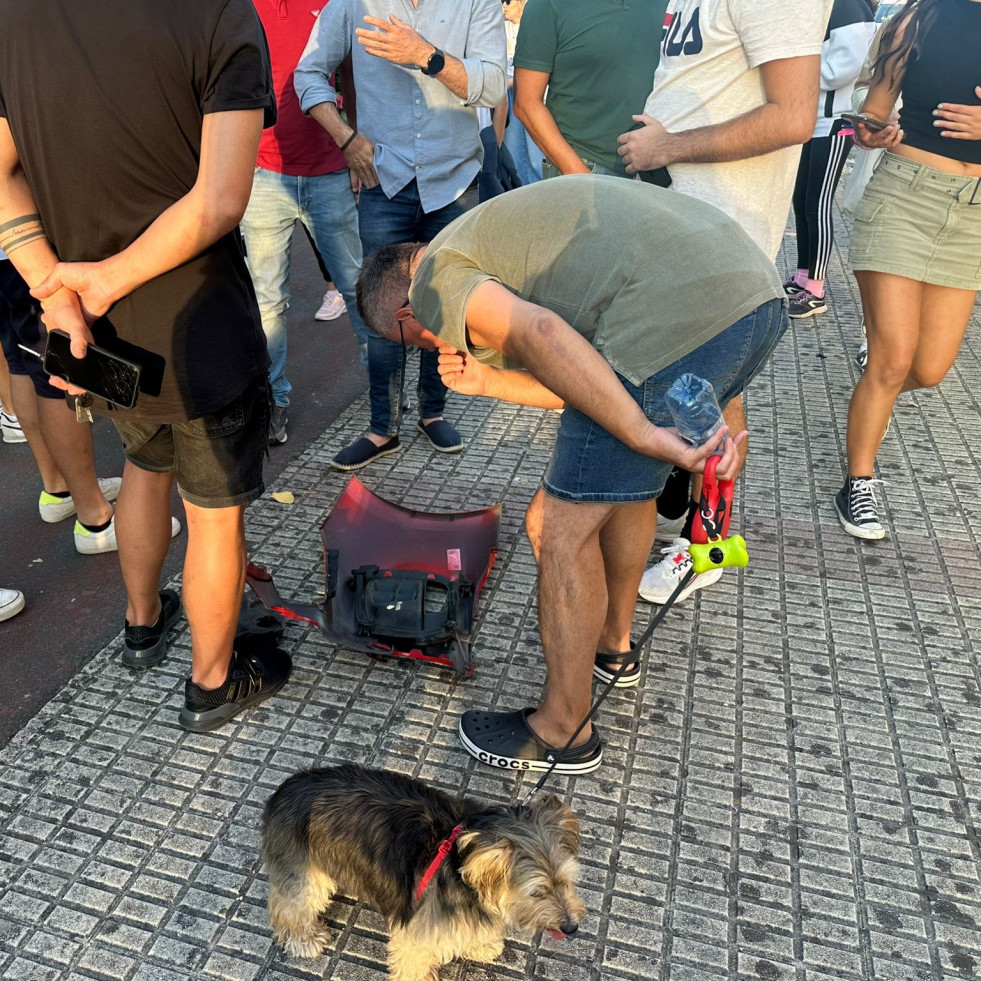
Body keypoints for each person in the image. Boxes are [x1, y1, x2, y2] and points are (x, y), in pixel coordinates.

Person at [354, 175, 788, 772]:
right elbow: (583, 384)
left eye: (412, 340)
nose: (429, 347)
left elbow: (543, 334)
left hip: (675, 321)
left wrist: (640, 429)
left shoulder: (434, 276)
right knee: (622, 491)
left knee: (555, 527)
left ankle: (562, 730)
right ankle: (614, 646)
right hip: (755, 297)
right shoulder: (493, 240)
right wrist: (487, 380)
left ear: (406, 309)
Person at [0, 0, 293, 732]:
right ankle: (211, 682)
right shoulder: (220, 14)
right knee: (214, 517)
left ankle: (140, 625)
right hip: (201, 327)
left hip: (99, 335)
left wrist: (56, 287)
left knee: (142, 466)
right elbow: (222, 198)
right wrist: (100, 280)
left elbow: (1, 174)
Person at [616, 0, 833, 606]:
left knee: (716, 389)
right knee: (697, 387)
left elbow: (793, 116)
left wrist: (668, 148)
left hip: (718, 240)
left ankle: (706, 549)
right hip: (682, 226)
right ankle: (692, 520)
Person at [295, 0, 507, 471]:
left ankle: (433, 412)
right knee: (381, 305)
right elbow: (307, 75)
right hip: (382, 180)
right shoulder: (354, 4)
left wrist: (426, 55)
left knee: (447, 303)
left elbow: (493, 85)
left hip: (455, 180)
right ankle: (381, 428)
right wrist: (347, 139)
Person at [835, 0, 981, 540]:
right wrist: (870, 131)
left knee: (929, 370)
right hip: (905, 197)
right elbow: (874, 110)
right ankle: (859, 480)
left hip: (973, 217)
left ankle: (877, 369)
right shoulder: (919, 17)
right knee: (893, 362)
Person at [241, 0, 372, 445]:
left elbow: (351, 76)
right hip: (262, 175)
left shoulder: (332, 5)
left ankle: (383, 392)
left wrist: (353, 145)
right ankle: (274, 400)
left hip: (330, 172)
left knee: (358, 288)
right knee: (266, 302)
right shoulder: (243, 7)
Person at [0, 255, 127, 553]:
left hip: (7, 251)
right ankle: (93, 518)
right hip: (23, 252)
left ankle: (59, 488)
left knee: (21, 357)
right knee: (55, 365)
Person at [787, 0, 877, 320]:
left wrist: (795, 74)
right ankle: (802, 275)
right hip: (810, 120)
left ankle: (816, 288)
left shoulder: (849, 6)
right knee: (802, 199)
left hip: (836, 121)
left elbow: (847, 66)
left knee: (819, 202)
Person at [513, 0, 667, 179]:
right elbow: (526, 102)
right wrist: (576, 171)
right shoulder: (548, 6)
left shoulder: (675, 4)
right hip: (586, 166)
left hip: (660, 167)